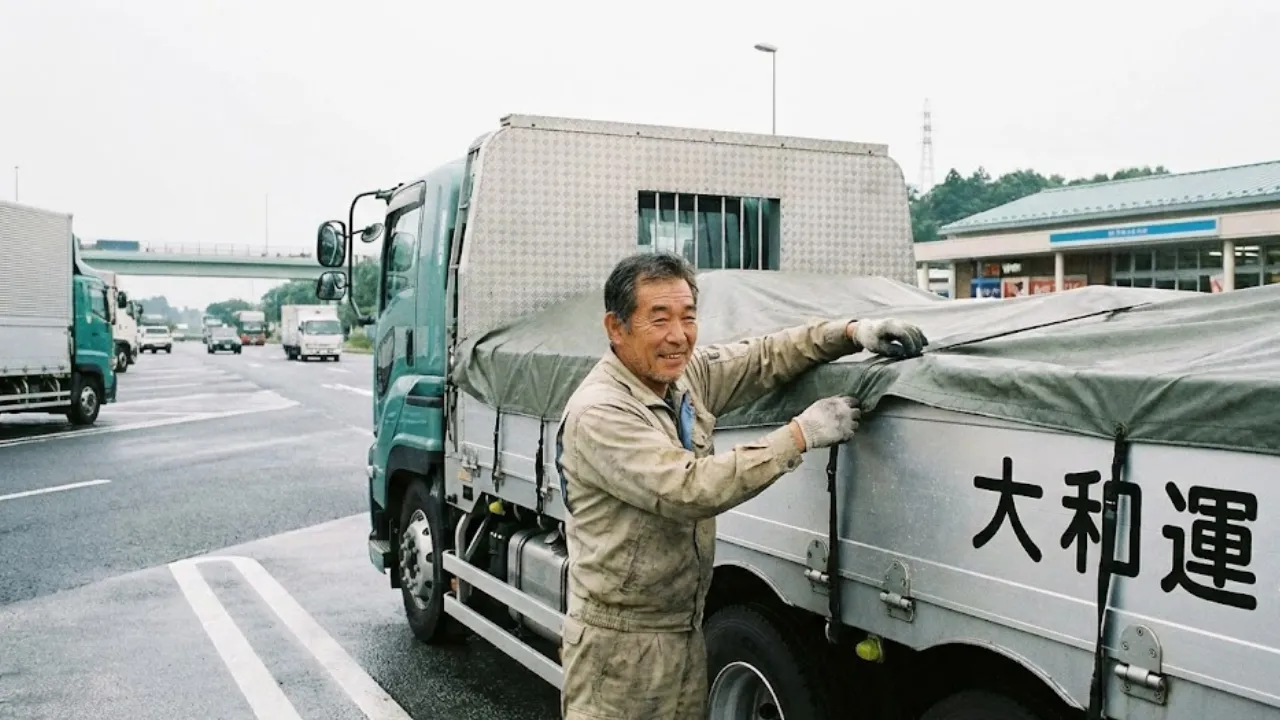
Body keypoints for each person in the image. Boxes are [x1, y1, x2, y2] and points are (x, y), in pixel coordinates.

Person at [554, 252, 929, 719]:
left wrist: (850, 333)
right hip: (621, 645)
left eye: (688, 317)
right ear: (616, 327)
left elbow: (762, 357)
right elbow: (688, 489)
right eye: (659, 319)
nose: (678, 335)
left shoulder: (678, 379)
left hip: (681, 630)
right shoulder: (601, 412)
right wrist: (800, 435)